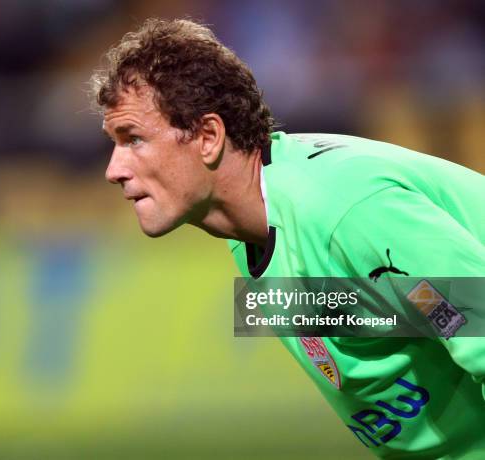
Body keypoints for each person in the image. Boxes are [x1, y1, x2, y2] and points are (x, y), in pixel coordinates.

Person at [90, 18, 485, 459]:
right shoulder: (250, 234)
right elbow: (389, 325)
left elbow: (478, 323)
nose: (113, 169)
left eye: (134, 139)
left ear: (207, 137)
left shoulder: (345, 211)